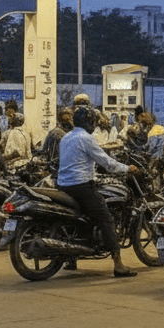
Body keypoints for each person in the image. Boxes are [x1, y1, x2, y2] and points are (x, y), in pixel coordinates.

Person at [56, 105, 138, 277]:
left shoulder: (66, 137)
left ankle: (71, 259)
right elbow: (106, 162)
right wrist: (127, 168)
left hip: (62, 185)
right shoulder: (86, 138)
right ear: (88, 122)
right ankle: (118, 264)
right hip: (80, 186)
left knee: (80, 218)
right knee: (106, 218)